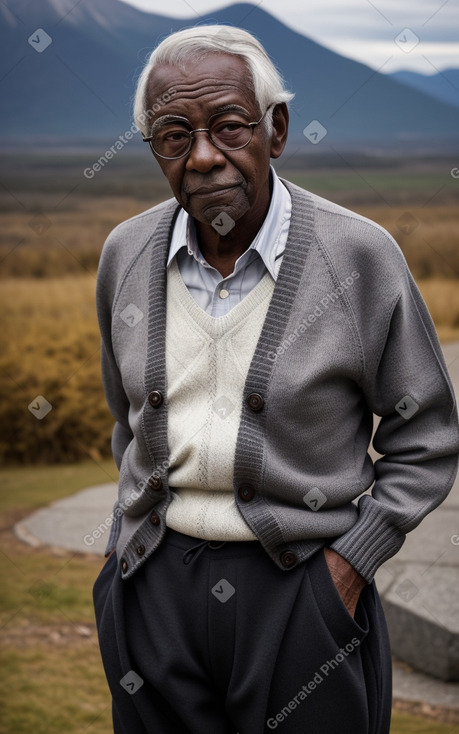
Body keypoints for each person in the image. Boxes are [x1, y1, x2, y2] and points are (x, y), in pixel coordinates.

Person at [93, 25, 459, 734]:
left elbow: (429, 437)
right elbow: (126, 421)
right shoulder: (125, 254)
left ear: (276, 129)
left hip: (301, 591)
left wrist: (348, 568)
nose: (202, 156)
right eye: (173, 135)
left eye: (229, 127)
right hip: (152, 586)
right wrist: (121, 558)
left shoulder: (358, 256)